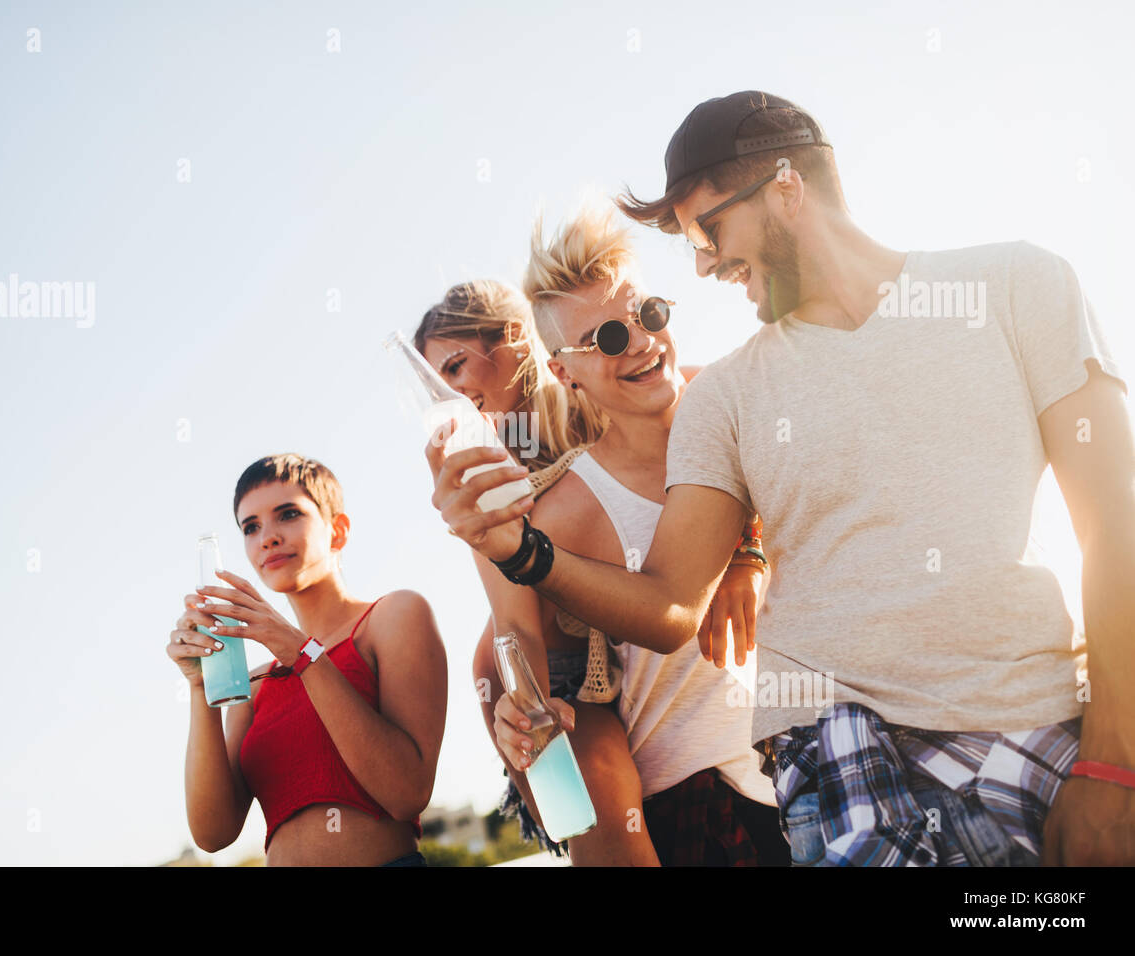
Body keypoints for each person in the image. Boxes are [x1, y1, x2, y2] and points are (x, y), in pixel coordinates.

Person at [426, 91, 1134, 865]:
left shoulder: (1020, 286)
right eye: (607, 336)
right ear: (566, 369)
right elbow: (652, 613)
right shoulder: (722, 402)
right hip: (816, 753)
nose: (701, 265)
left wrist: (1113, 762)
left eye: (708, 232)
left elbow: (1117, 525)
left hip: (1034, 719)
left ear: (786, 190)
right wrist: (520, 558)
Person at [418, 257, 783, 864]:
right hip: (567, 676)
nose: (453, 394)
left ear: (515, 340)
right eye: (437, 382)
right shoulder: (487, 463)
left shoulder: (646, 388)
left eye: (457, 367)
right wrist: (522, 712)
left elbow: (749, 452)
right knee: (603, 793)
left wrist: (745, 551)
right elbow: (506, 635)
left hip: (637, 629)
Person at [169, 453, 448, 866]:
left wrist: (302, 654)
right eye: (251, 527)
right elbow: (212, 834)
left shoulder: (393, 617)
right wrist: (200, 685)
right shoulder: (256, 685)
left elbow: (405, 794)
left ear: (338, 530)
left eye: (288, 514)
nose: (267, 537)